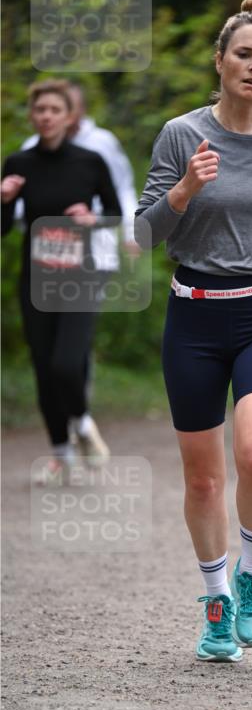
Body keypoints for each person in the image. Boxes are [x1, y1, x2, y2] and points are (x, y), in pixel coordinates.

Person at [135, 0, 252, 664]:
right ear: (219, 61)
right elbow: (142, 232)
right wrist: (184, 188)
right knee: (203, 480)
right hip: (194, 313)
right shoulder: (181, 135)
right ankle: (215, 601)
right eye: (243, 54)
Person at [1, 79, 121, 483]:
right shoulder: (18, 164)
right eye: (40, 110)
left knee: (67, 364)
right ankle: (59, 454)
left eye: (55, 110)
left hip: (80, 276)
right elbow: (3, 229)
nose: (47, 116)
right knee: (43, 368)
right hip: (36, 278)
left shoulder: (90, 161)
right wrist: (3, 200)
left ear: (70, 117)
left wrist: (92, 218)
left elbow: (116, 213)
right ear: (32, 116)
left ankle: (84, 425)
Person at [20, 82, 140, 270]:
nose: (49, 115)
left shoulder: (102, 142)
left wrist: (131, 232)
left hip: (98, 246)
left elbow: (123, 187)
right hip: (44, 252)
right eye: (44, 109)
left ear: (80, 109)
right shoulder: (30, 148)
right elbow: (21, 203)